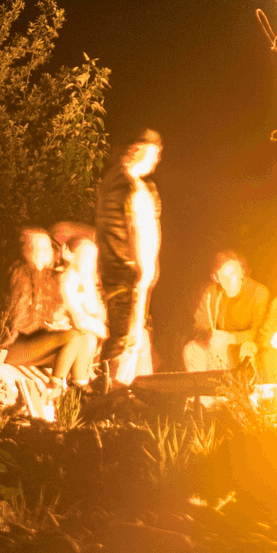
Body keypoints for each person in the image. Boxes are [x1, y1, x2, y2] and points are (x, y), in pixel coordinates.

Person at [95, 130, 163, 385]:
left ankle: (116, 395)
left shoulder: (111, 181)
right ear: (139, 150)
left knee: (128, 338)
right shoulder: (130, 186)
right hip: (130, 276)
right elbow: (135, 228)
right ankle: (112, 399)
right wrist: (143, 275)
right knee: (125, 341)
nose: (157, 160)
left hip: (115, 273)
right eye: (155, 153)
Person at [181, 249, 276, 378]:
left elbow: (259, 333)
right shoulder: (211, 293)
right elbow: (199, 325)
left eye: (235, 274)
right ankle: (203, 395)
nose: (232, 281)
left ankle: (232, 393)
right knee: (191, 349)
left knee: (231, 346)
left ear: (243, 272)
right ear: (216, 278)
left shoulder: (258, 293)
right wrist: (210, 335)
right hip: (218, 348)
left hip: (245, 348)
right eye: (226, 277)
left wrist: (231, 338)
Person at [0, 225, 69, 373]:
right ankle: (64, 386)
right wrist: (47, 327)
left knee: (84, 338)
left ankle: (84, 385)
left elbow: (56, 309)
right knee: (74, 337)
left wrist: (59, 322)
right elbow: (18, 321)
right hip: (14, 345)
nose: (47, 252)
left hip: (36, 341)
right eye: (40, 248)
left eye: (48, 247)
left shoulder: (49, 277)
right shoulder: (21, 275)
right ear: (26, 251)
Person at [53, 229, 107, 387]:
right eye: (86, 256)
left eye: (94, 258)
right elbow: (80, 321)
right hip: (63, 337)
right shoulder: (66, 279)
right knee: (87, 336)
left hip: (85, 339)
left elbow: (96, 312)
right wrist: (109, 334)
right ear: (70, 255)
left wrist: (89, 281)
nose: (91, 262)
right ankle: (81, 385)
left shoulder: (84, 282)